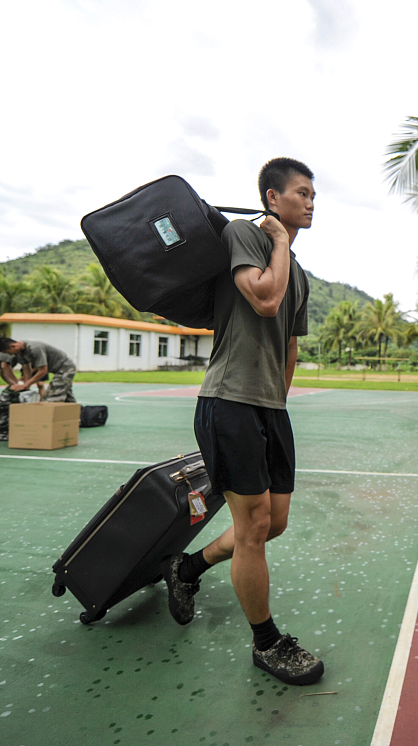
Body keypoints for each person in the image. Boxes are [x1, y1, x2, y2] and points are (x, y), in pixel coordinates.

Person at [161, 157, 320, 686]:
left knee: (274, 522)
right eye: (302, 193)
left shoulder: (298, 272)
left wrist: (276, 398)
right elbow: (265, 300)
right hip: (228, 400)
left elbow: (290, 343)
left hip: (267, 407)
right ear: (273, 198)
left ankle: (187, 568)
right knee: (252, 527)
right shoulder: (243, 236)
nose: (311, 202)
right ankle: (267, 643)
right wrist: (277, 240)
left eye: (313, 195)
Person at [0, 337, 78, 441]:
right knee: (66, 397)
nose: (10, 355)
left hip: (65, 367)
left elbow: (43, 371)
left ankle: (46, 429)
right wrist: (26, 386)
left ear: (13, 346)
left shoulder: (34, 347)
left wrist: (26, 385)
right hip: (56, 369)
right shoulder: (20, 353)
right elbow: (27, 368)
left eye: (9, 352)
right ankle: (75, 421)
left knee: (51, 398)